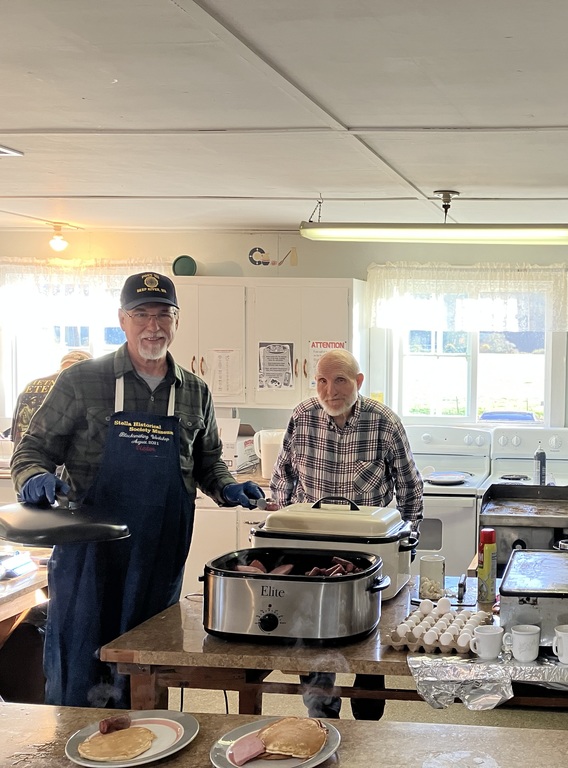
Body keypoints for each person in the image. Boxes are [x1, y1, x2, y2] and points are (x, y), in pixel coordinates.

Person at [10, 272, 265, 708]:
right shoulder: (82, 381)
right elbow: (32, 448)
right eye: (141, 314)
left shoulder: (194, 391)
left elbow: (208, 462)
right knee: (79, 658)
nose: (153, 326)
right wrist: (34, 476)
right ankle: (75, 737)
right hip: (88, 550)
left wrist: (228, 487)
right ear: (122, 320)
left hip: (158, 552)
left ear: (177, 320)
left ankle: (149, 736)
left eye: (163, 314)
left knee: (147, 660)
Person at [271, 348, 423, 720]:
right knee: (313, 640)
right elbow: (282, 479)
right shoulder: (302, 417)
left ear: (358, 382)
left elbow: (410, 489)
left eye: (339, 380)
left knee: (369, 644)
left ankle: (368, 723)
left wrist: (405, 545)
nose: (330, 390)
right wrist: (281, 536)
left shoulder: (384, 422)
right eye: (322, 381)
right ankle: (322, 720)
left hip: (368, 555)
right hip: (310, 550)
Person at [11, 350, 92, 448]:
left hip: (24, 451)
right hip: (55, 453)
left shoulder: (30, 385)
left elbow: (16, 430)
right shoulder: (78, 386)